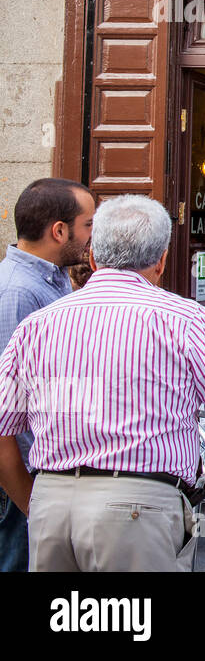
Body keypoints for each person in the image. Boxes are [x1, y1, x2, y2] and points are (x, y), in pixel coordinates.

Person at [0, 195, 205, 571]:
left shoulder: (39, 324)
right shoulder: (184, 318)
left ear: (92, 258)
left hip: (52, 502)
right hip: (138, 504)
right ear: (162, 260)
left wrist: (33, 503)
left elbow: (3, 428)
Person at [0, 178, 94, 572]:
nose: (94, 236)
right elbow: (10, 404)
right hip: (25, 477)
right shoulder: (19, 291)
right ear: (59, 231)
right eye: (89, 225)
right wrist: (29, 496)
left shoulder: (50, 280)